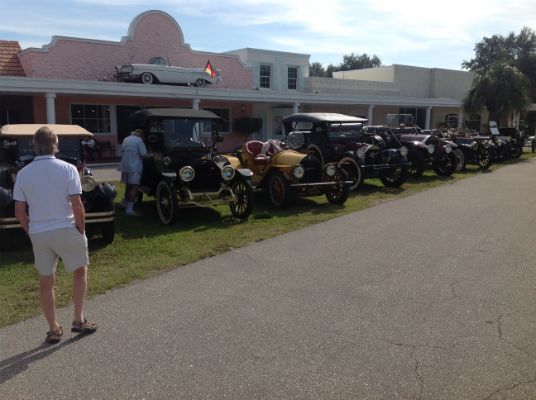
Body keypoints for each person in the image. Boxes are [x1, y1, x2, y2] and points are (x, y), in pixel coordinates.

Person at [13, 126, 97, 344]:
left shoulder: (23, 173)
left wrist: (30, 229)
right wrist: (81, 229)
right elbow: (76, 204)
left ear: (34, 146)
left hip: (39, 233)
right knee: (79, 271)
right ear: (55, 145)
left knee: (46, 281)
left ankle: (53, 328)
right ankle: (78, 319)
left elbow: (19, 211)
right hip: (67, 228)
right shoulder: (68, 169)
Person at [118, 128, 147, 216]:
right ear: (140, 134)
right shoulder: (139, 140)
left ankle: (125, 203)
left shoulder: (126, 139)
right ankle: (129, 209)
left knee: (128, 186)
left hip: (125, 165)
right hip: (135, 166)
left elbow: (122, 152)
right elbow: (144, 154)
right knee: (135, 187)